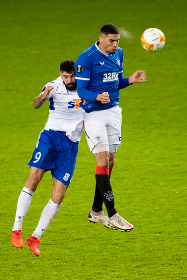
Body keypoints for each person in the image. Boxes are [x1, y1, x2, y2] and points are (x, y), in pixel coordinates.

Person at [75, 24, 146, 232]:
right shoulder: (86, 58)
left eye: (117, 41)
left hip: (114, 112)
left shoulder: (119, 54)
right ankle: (113, 214)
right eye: (112, 41)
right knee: (102, 159)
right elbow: (81, 90)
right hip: (94, 114)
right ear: (101, 39)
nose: (115, 45)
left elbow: (116, 83)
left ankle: (96, 212)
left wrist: (130, 80)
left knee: (110, 161)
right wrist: (96, 96)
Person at [11, 60, 83, 256]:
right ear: (61, 75)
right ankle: (16, 229)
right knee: (33, 180)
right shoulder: (53, 86)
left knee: (59, 195)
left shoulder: (87, 85)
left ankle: (35, 237)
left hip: (71, 145)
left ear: (78, 73)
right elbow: (36, 104)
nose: (69, 80)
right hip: (50, 137)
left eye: (72, 76)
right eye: (66, 76)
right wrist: (43, 95)